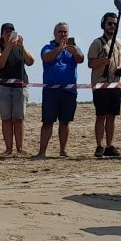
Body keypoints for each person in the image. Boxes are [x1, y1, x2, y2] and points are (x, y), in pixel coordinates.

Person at [36, 22, 84, 158]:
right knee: (47, 122)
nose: (63, 34)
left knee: (65, 122)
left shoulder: (73, 47)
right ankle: (42, 152)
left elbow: (81, 60)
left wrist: (75, 52)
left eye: (65, 32)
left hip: (69, 90)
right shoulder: (47, 47)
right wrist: (60, 49)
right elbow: (46, 58)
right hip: (51, 91)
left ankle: (63, 150)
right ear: (54, 33)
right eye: (60, 32)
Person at [87, 11, 121, 158]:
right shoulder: (97, 43)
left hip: (115, 84)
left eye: (114, 24)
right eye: (109, 23)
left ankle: (109, 145)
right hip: (100, 84)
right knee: (101, 115)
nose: (112, 26)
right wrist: (102, 61)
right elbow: (90, 63)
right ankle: (99, 145)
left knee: (112, 116)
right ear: (104, 25)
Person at [0, 22, 34, 155]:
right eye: (6, 32)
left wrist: (21, 47)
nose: (9, 34)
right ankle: (9, 148)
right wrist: (8, 48)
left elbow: (30, 61)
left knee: (18, 118)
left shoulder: (19, 47)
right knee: (6, 118)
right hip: (4, 87)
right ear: (2, 34)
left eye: (11, 31)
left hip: (19, 87)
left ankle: (19, 148)